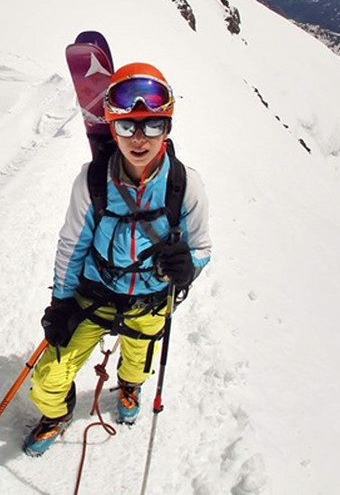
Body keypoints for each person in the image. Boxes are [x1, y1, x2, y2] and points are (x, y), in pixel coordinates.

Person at [23, 62, 212, 457]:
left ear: (168, 127)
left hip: (150, 298)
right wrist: (61, 303)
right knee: (47, 379)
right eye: (127, 126)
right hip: (96, 295)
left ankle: (129, 386)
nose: (139, 138)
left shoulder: (185, 185)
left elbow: (202, 248)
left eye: (152, 125)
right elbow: (72, 246)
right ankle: (56, 415)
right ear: (112, 127)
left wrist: (188, 266)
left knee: (138, 364)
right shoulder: (93, 181)